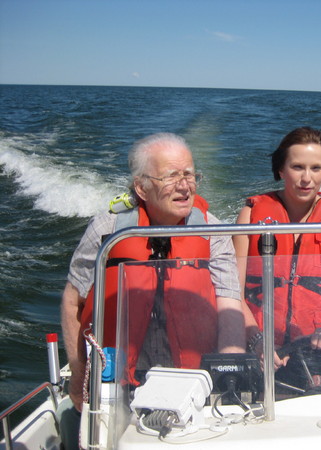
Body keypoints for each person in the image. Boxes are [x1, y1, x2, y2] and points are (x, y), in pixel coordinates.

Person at [59, 133, 245, 448]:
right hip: (119, 383)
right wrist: (79, 379)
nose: (185, 186)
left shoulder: (212, 231)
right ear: (142, 188)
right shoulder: (108, 231)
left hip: (192, 382)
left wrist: (228, 373)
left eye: (189, 175)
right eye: (171, 177)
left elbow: (229, 302)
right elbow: (72, 302)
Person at [233, 127, 321, 370]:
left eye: (316, 168)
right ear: (281, 170)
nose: (307, 178)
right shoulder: (250, 215)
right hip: (260, 352)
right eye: (297, 167)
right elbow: (232, 292)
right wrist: (257, 341)